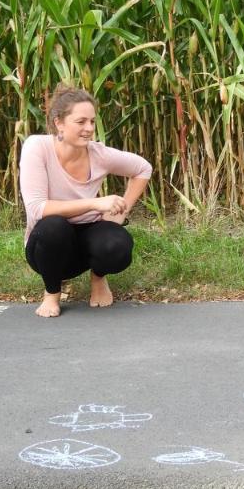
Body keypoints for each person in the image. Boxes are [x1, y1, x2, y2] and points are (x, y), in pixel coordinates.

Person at [19, 85, 152, 317]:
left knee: (117, 246)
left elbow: (143, 169)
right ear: (59, 123)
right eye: (81, 122)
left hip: (87, 241)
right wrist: (94, 203)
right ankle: (52, 293)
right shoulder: (37, 147)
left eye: (92, 121)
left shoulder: (98, 154)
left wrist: (120, 213)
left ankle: (98, 278)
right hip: (48, 247)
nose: (89, 128)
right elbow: (37, 209)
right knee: (53, 226)